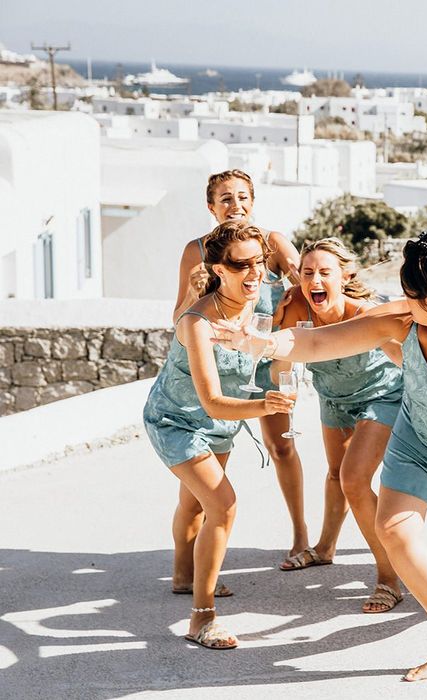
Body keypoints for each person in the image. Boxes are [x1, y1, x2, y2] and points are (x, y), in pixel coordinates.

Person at [216, 229, 427, 680]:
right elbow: (318, 342)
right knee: (393, 529)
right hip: (417, 442)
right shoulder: (405, 321)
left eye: (411, 292)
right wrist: (257, 342)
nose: (402, 298)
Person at [144, 221, 294, 649]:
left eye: (259, 263)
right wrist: (269, 405)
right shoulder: (197, 321)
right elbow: (210, 400)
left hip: (223, 422)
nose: (254, 273)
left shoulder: (261, 302)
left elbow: (309, 295)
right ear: (217, 269)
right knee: (223, 505)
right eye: (241, 265)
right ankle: (202, 616)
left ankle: (182, 574)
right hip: (176, 420)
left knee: (194, 503)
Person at [172, 169, 308, 572]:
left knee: (282, 445)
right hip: (224, 366)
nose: (236, 206)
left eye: (243, 197)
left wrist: (290, 294)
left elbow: (309, 286)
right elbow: (178, 317)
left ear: (253, 200)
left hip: (268, 358)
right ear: (211, 207)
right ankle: (192, 562)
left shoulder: (274, 242)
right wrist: (196, 296)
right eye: (226, 199)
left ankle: (300, 533)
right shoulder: (195, 251)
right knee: (207, 462)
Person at [273, 238, 405, 613]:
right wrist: (283, 374)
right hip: (333, 397)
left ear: (345, 276)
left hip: (382, 396)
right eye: (308, 272)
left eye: (324, 272)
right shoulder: (296, 305)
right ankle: (325, 548)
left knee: (354, 480)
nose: (315, 279)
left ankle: (389, 577)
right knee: (335, 474)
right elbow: (279, 360)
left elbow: (402, 355)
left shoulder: (365, 312)